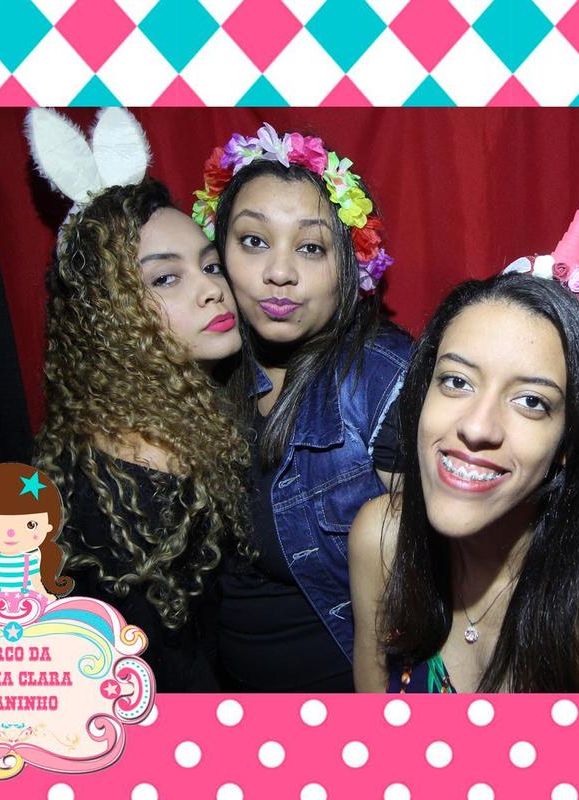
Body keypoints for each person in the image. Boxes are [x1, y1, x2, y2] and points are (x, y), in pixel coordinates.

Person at [349, 195, 579, 693]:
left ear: (570, 438)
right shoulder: (381, 540)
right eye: (457, 382)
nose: (478, 427)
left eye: (531, 401)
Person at [28, 108, 252, 692]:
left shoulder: (189, 425)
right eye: (165, 278)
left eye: (209, 265)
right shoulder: (123, 487)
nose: (212, 289)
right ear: (109, 317)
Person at [193, 122, 412, 691]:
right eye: (253, 241)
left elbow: (440, 584)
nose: (279, 272)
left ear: (350, 266)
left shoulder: (385, 380)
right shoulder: (201, 370)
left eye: (310, 247)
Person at [0, 462, 72, 600]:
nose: (11, 533)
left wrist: (47, 597)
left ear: (48, 526)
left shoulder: (33, 558)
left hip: (30, 601)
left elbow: (37, 582)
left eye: (30, 525)